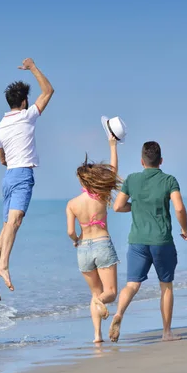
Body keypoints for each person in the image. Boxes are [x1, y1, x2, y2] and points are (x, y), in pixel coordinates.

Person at [0, 57, 55, 300]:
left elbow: (1, 157)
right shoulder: (28, 116)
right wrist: (33, 67)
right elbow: (49, 91)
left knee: (6, 229)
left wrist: (10, 160)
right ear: (24, 102)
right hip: (23, 174)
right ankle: (2, 265)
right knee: (14, 223)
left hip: (8, 176)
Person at [109, 141, 187, 342]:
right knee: (166, 286)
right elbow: (179, 208)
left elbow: (118, 207)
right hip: (161, 241)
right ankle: (166, 332)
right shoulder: (169, 180)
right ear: (161, 161)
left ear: (141, 161)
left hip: (137, 242)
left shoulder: (132, 180)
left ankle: (119, 313)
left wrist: (136, 206)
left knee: (132, 284)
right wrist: (185, 228)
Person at [66, 134, 122, 343]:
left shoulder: (72, 203)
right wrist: (113, 146)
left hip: (83, 249)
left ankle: (97, 336)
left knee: (95, 293)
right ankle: (100, 304)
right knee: (110, 293)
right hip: (102, 245)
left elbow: (70, 232)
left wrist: (77, 238)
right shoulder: (101, 195)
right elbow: (114, 172)